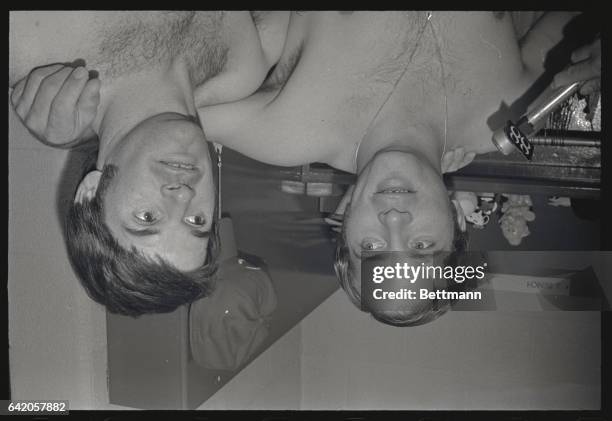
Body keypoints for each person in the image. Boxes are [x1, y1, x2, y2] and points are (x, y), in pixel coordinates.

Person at [13, 12, 601, 325]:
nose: (395, 219)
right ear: (456, 220)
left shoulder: (281, 124)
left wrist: (78, 131)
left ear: (341, 221)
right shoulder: (518, 120)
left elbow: (157, 119)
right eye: (422, 246)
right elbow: (575, 37)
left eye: (375, 249)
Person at [9, 11, 291, 316]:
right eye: (197, 222)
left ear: (91, 192)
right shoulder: (242, 68)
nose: (183, 196)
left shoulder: (30, 46)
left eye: (147, 217)